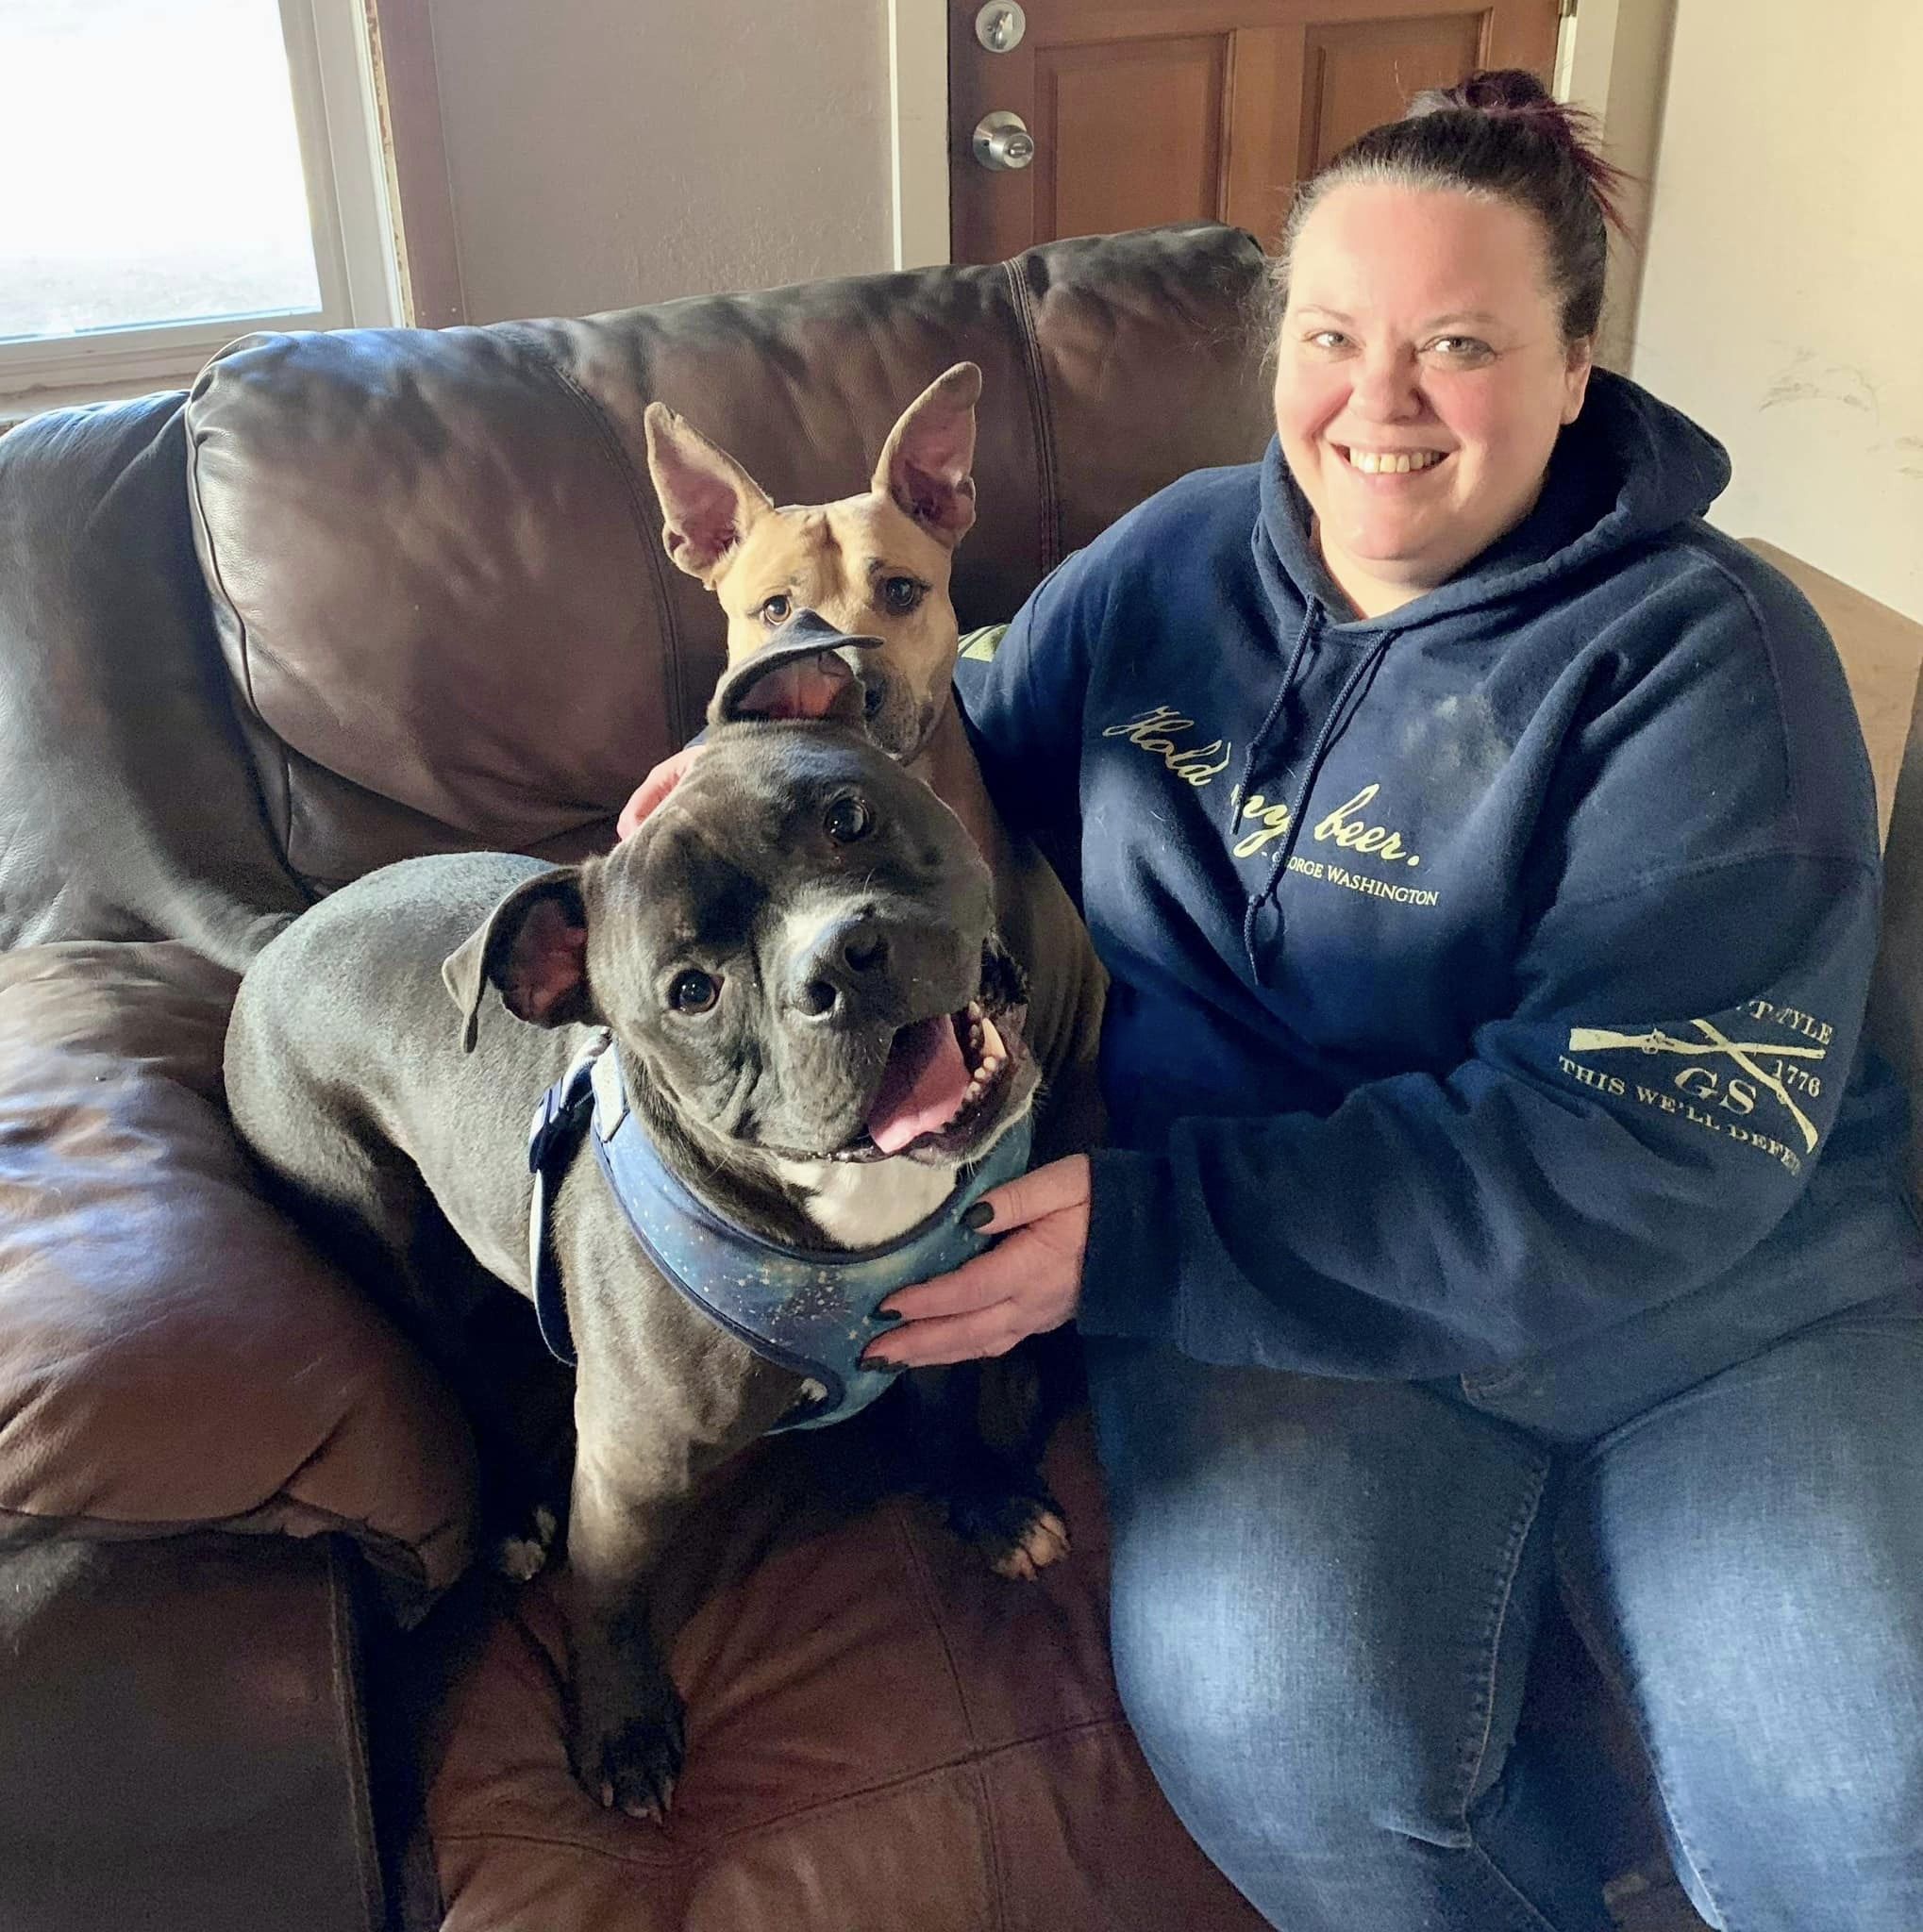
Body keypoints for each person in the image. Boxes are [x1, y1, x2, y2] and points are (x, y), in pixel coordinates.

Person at [620, 73, 1923, 1932]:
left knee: (1863, 1817)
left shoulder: (1709, 662)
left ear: (1574, 366)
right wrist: (728, 822)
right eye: (1331, 335)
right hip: (1284, 1316)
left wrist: (1152, 1230)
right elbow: (948, 768)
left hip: (1720, 1307)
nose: (1376, 402)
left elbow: (1643, 1142)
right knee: (1283, 1743)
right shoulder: (1158, 573)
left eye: (1456, 343)